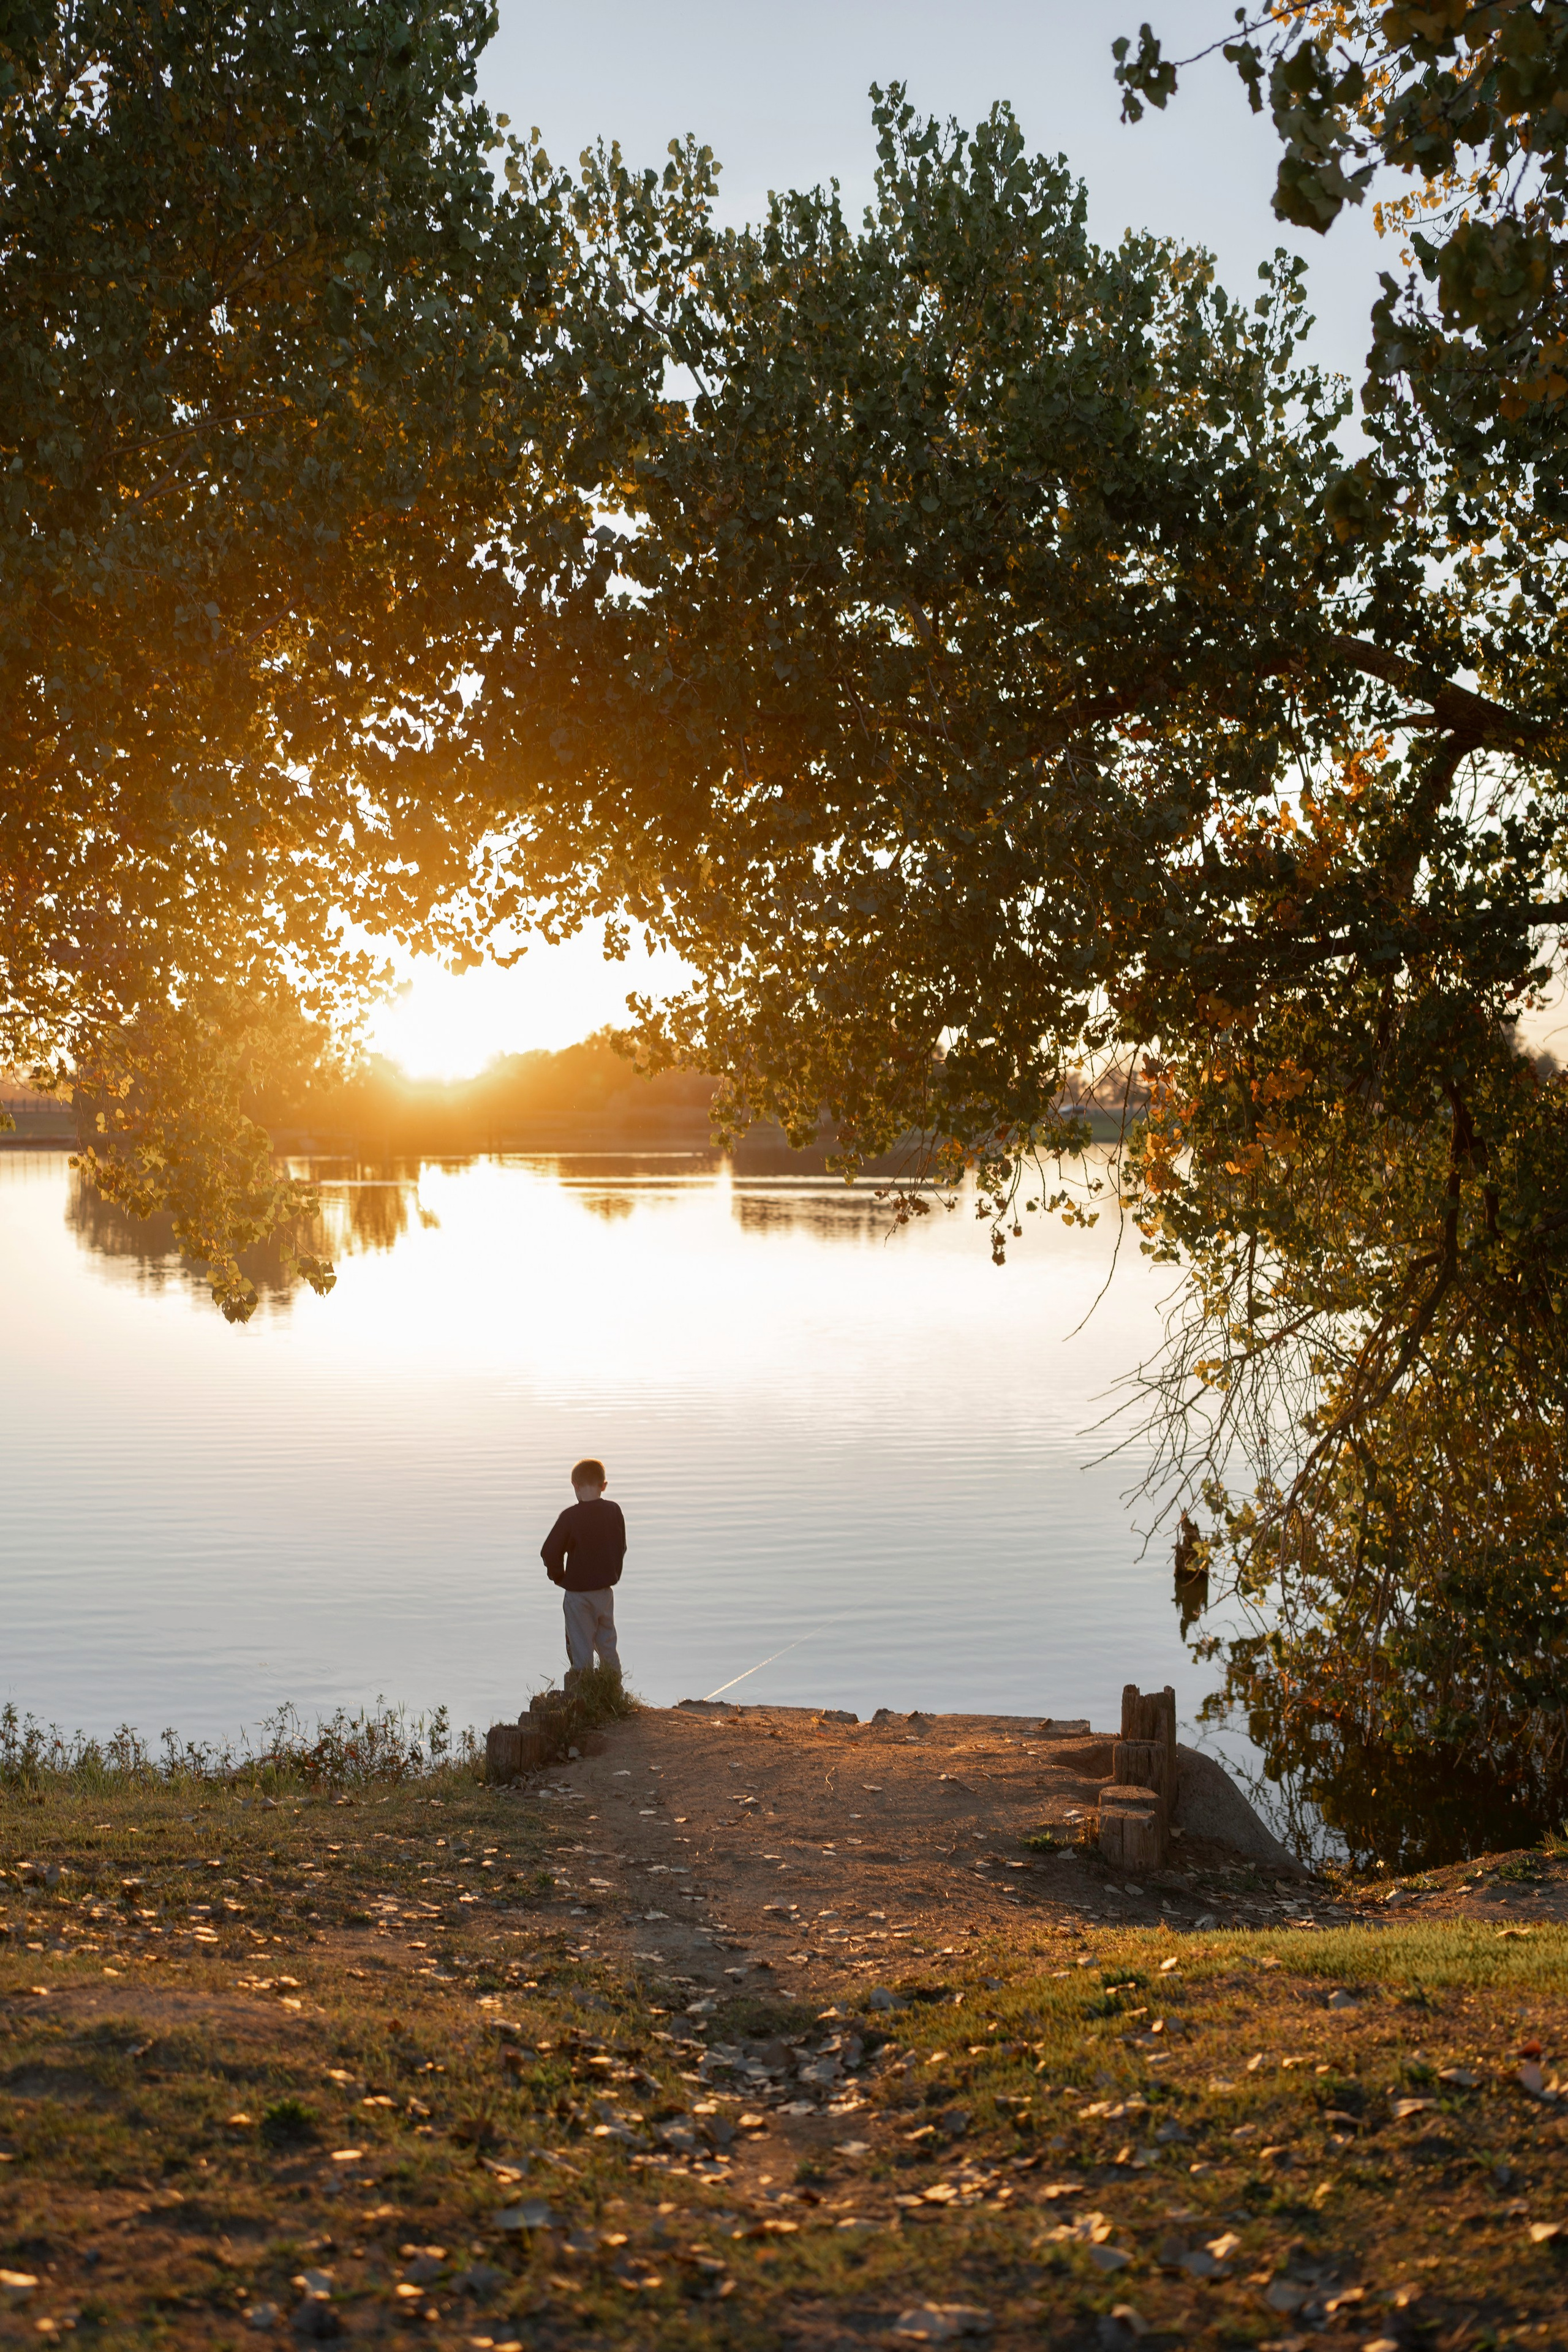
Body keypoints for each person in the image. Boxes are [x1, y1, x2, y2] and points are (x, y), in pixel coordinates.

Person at [540, 1457, 626, 1681]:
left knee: (581, 1647)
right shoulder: (614, 1511)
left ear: (575, 1485)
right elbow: (621, 1547)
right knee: (607, 1643)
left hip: (578, 1595)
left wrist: (559, 1578)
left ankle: (583, 1690)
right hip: (605, 1592)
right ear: (603, 1486)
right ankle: (615, 1689)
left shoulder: (570, 1517)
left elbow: (549, 1552)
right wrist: (613, 1573)